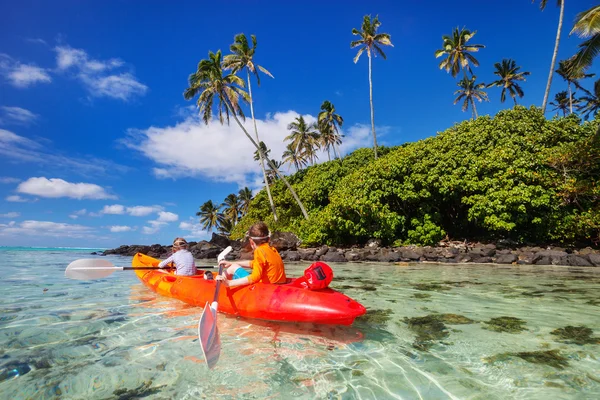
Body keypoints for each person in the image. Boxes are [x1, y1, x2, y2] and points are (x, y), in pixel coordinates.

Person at [216, 222, 286, 288]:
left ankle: (216, 284)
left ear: (251, 241)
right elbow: (255, 263)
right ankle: (219, 280)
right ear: (268, 239)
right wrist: (231, 263)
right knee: (233, 265)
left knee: (233, 268)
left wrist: (229, 283)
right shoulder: (272, 249)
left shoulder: (259, 251)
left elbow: (255, 277)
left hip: (265, 288)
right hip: (278, 286)